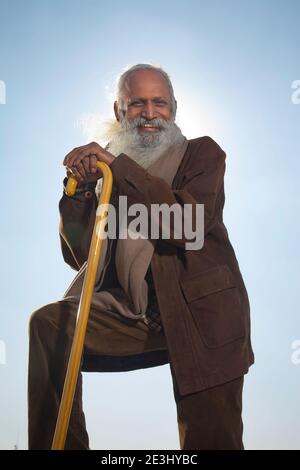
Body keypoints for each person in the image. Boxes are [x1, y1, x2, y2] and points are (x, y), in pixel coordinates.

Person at [28, 63, 254, 450]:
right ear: (119, 111)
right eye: (136, 104)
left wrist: (117, 168)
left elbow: (189, 225)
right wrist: (79, 193)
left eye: (159, 103)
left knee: (212, 442)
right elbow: (81, 255)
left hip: (202, 317)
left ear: (174, 108)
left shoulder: (201, 154)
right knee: (51, 325)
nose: (149, 114)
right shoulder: (108, 173)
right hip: (134, 313)